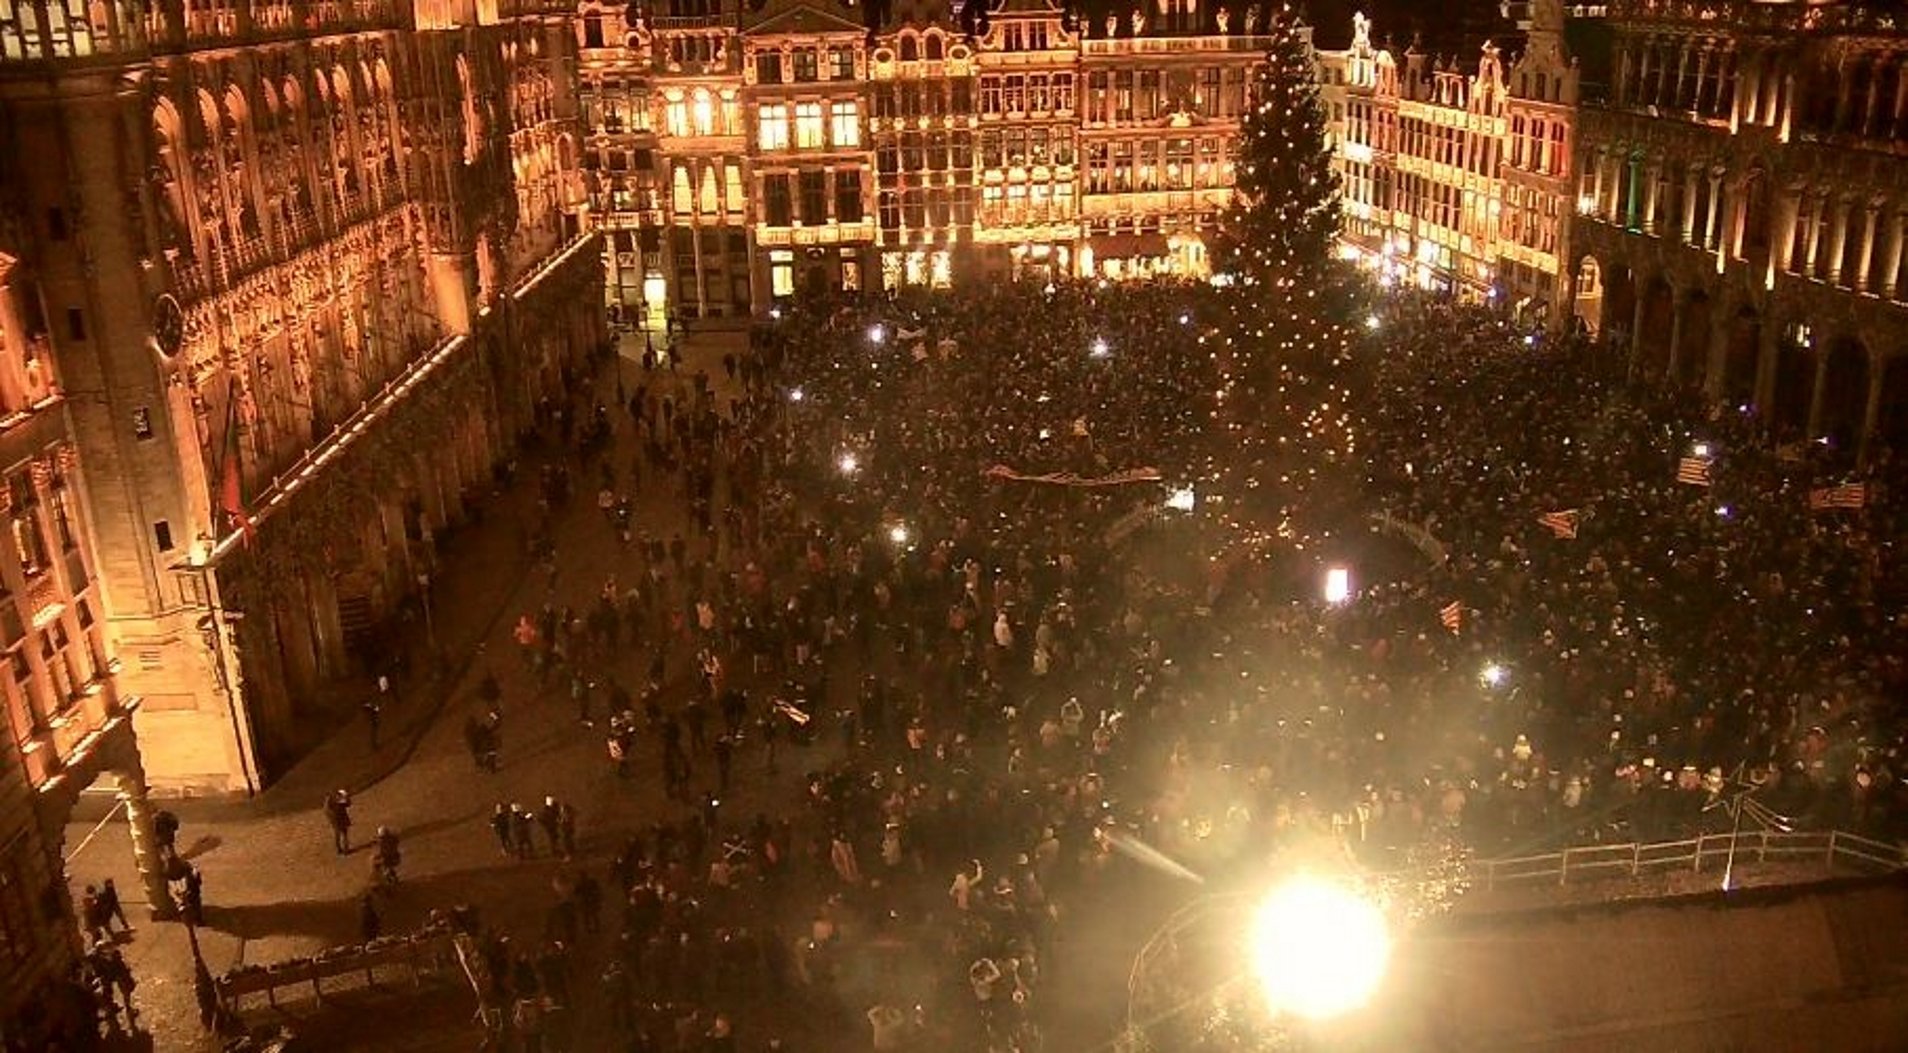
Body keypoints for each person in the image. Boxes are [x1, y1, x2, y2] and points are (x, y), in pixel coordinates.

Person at [325, 788, 353, 854]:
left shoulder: (334, 800)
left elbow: (348, 804)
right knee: (341, 834)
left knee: (340, 834)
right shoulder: (336, 800)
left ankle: (342, 849)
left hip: (338, 819)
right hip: (338, 819)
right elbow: (348, 804)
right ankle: (342, 849)